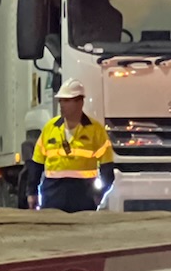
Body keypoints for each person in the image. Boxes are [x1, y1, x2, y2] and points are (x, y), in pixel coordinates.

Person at [31, 82, 114, 211]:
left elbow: (107, 169)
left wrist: (99, 194)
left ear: (80, 102)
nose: (62, 105)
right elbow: (36, 165)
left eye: (66, 101)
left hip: (83, 196)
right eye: (61, 101)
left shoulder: (96, 130)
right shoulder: (50, 128)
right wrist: (32, 192)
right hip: (53, 194)